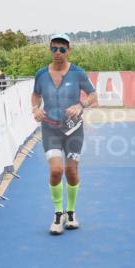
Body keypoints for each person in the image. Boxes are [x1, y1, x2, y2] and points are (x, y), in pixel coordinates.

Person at [32, 34, 98, 235]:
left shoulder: (77, 73)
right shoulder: (41, 74)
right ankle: (58, 213)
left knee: (71, 171)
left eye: (62, 49)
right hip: (50, 128)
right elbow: (35, 95)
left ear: (69, 50)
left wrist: (81, 104)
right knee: (55, 171)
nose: (58, 53)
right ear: (50, 50)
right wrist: (35, 108)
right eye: (54, 49)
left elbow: (94, 96)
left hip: (73, 130)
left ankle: (71, 213)